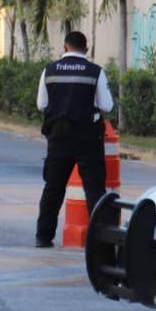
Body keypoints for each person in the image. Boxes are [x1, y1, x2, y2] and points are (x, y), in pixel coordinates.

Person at [35, 31, 114, 248]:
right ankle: (100, 241)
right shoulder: (95, 72)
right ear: (86, 49)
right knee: (94, 189)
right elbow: (107, 106)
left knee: (53, 187)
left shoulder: (49, 71)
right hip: (87, 138)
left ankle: (43, 236)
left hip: (58, 138)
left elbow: (41, 104)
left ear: (65, 47)